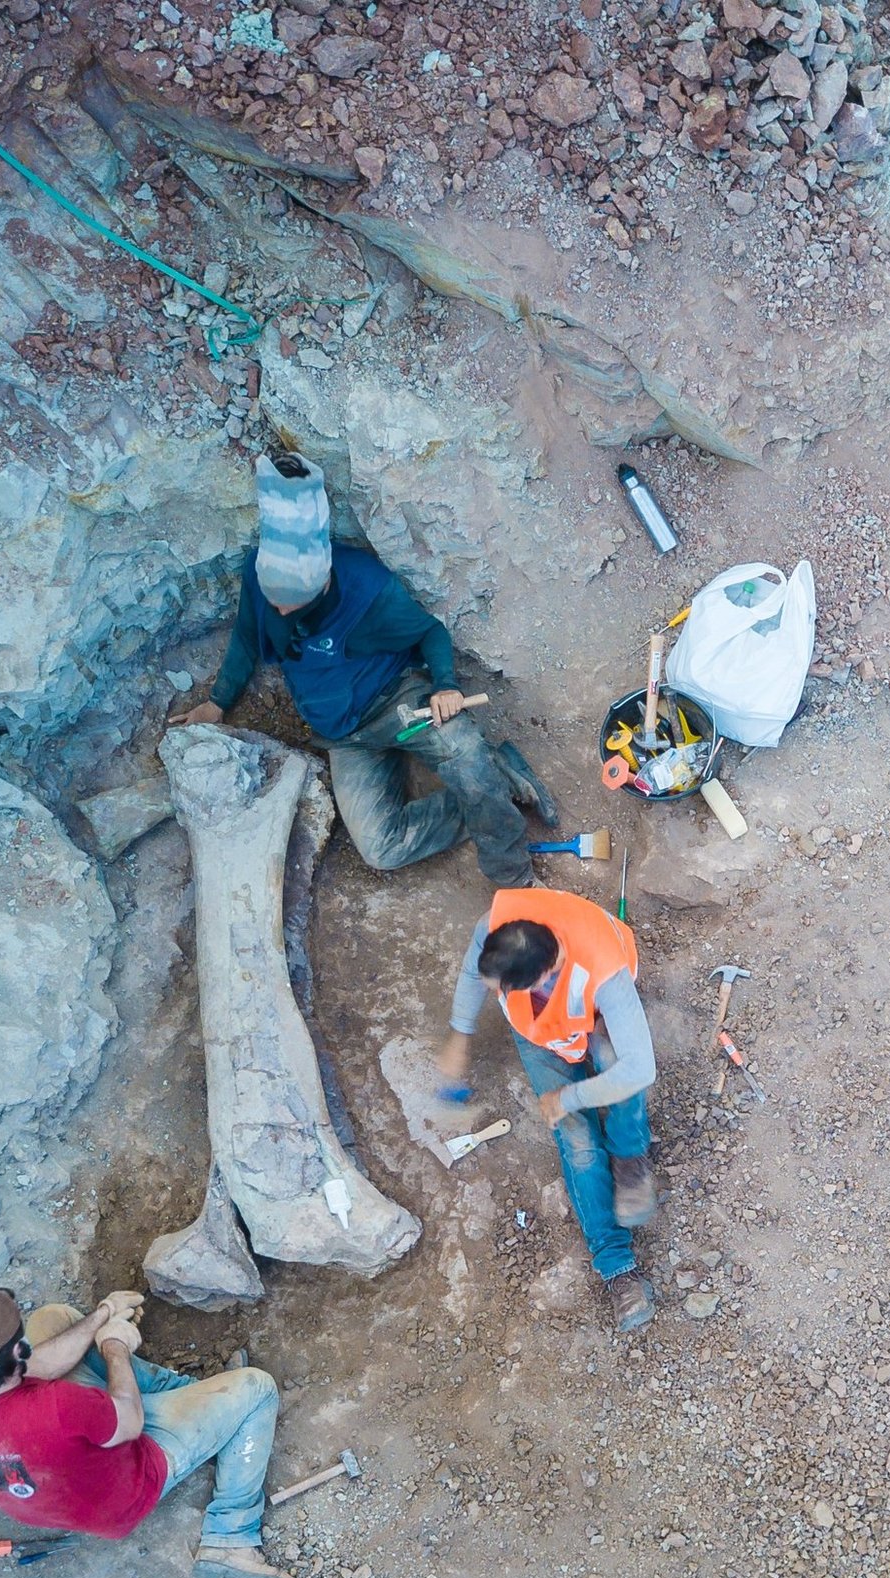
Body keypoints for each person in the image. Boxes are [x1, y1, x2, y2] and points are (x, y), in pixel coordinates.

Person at [177, 450, 554, 885]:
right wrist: (217, 702)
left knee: (467, 756)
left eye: (290, 604)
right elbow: (246, 635)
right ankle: (499, 782)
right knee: (381, 847)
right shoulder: (259, 576)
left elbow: (430, 632)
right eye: (273, 599)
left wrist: (444, 686)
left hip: (397, 703)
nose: (277, 611)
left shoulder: (370, 592)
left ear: (321, 584)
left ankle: (514, 876)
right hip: (344, 736)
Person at [0, 1285, 298, 1578]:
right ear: (18, 1352)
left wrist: (103, 1313)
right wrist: (115, 1345)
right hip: (125, 1490)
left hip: (50, 1489)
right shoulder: (56, 1408)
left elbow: (36, 1367)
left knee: (54, 1319)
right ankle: (230, 1537)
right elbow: (130, 1421)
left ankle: (197, 1399)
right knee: (256, 1387)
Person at [437, 888, 660, 1331]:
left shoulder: (603, 970)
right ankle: (617, 1268)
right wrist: (459, 1037)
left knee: (619, 1077)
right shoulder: (499, 924)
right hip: (542, 1035)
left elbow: (641, 1069)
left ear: (545, 973)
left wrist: (568, 1097)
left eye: (507, 989)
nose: (496, 995)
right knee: (578, 1141)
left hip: (594, 1016)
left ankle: (629, 1157)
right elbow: (470, 970)